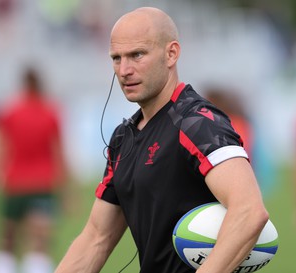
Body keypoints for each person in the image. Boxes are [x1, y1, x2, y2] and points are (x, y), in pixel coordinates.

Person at [55, 7, 269, 273]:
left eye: (137, 55)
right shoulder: (123, 138)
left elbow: (249, 212)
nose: (124, 70)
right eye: (116, 58)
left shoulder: (197, 122)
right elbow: (96, 238)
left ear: (171, 54)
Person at [0, 66, 69, 273]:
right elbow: (59, 153)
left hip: (14, 182)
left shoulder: (11, 111)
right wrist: (67, 191)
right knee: (40, 240)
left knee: (8, 238)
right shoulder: (50, 112)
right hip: (42, 183)